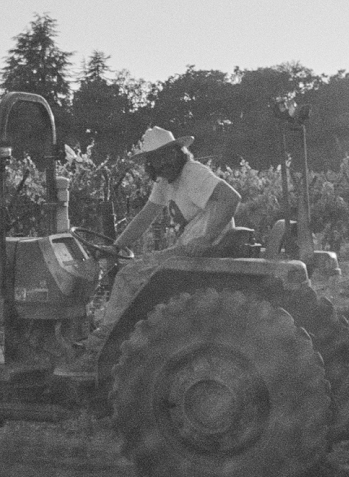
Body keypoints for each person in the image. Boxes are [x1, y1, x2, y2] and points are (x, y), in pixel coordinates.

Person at [55, 126, 241, 377]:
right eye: (155, 159)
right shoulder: (167, 180)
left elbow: (231, 198)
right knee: (136, 272)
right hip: (191, 246)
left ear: (178, 152)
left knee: (129, 275)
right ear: (150, 164)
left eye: (167, 155)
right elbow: (147, 215)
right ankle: (121, 343)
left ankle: (97, 349)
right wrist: (117, 246)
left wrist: (207, 239)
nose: (163, 163)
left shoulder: (193, 172)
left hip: (202, 249)